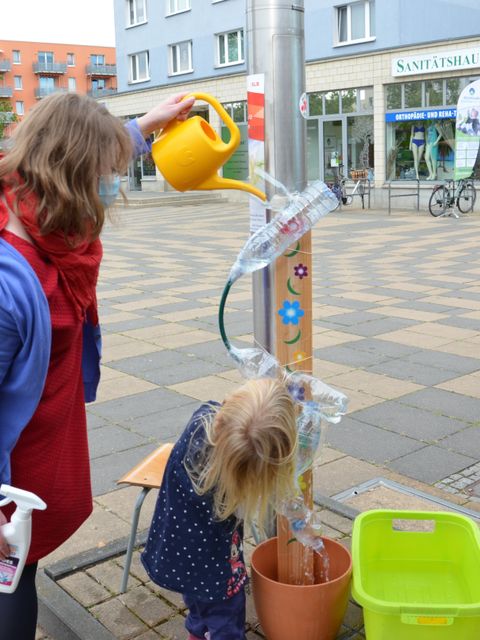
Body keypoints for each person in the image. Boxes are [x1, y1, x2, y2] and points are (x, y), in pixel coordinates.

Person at [0, 90, 195, 638]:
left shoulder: (49, 218)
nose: (116, 183)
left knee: (25, 563)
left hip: (42, 431)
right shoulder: (11, 277)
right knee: (9, 578)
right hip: (12, 465)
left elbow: (108, 146)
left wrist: (146, 126)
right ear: (72, 173)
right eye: (107, 171)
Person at [141, 378, 298, 640]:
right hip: (214, 573)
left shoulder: (198, 423)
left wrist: (255, 401)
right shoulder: (234, 489)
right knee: (226, 623)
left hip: (179, 555)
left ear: (224, 409)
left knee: (199, 605)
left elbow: (230, 416)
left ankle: (196, 634)